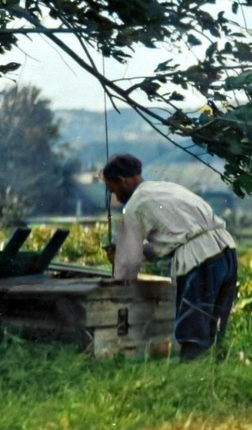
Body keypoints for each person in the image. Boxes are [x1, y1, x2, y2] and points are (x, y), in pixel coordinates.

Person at [101, 153, 238, 360]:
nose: (117, 198)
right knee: (215, 325)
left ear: (124, 181)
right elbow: (170, 240)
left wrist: (119, 262)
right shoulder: (165, 188)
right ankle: (215, 370)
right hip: (226, 251)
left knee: (193, 329)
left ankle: (190, 375)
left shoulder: (135, 205)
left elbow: (126, 268)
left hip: (200, 259)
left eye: (114, 189)